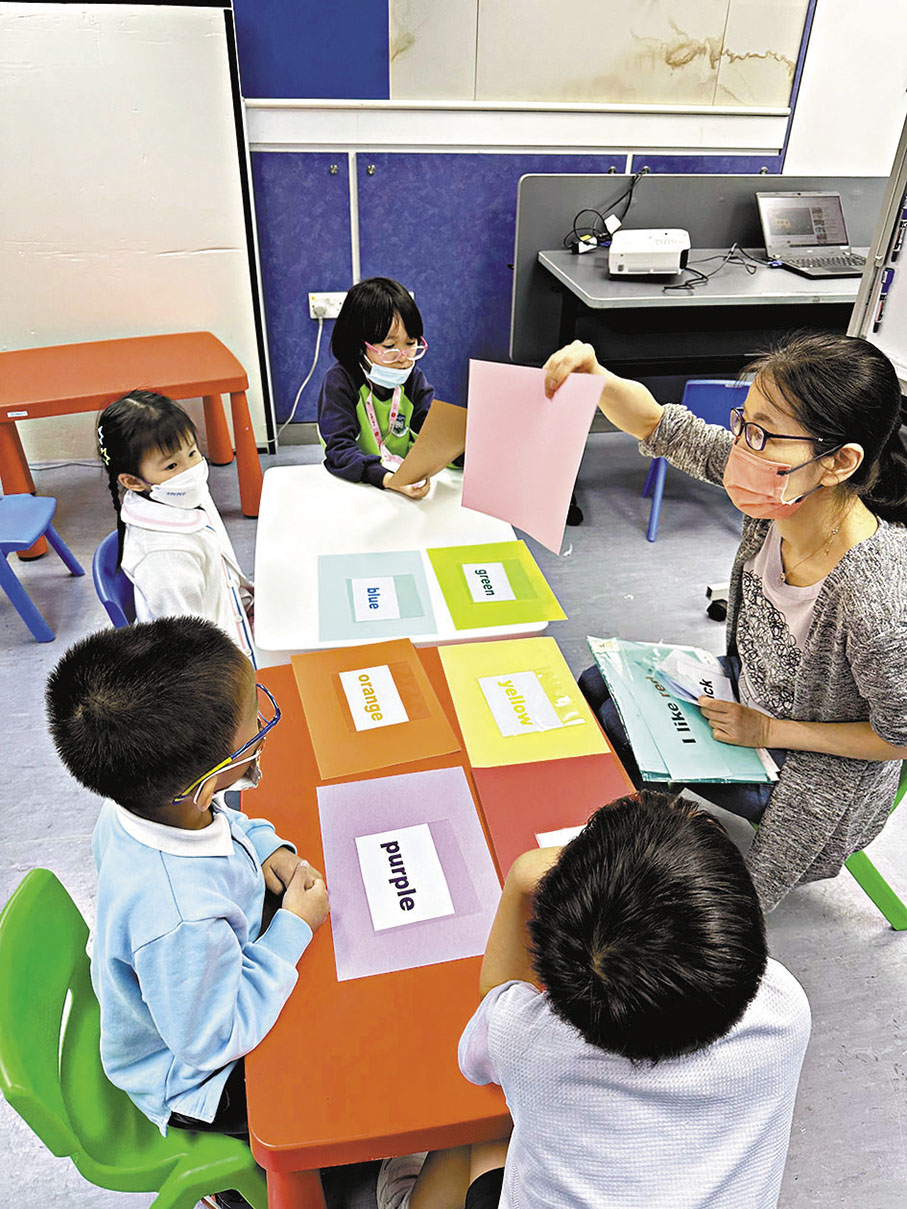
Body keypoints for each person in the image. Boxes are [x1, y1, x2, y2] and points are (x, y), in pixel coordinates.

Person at [544, 331, 907, 912]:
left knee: (626, 731)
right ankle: (602, 840)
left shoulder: (877, 602)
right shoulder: (781, 490)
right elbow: (657, 424)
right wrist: (596, 377)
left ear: (839, 462)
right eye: (744, 423)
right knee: (596, 686)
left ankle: (610, 888)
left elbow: (898, 737)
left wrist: (768, 732)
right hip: (749, 695)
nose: (741, 448)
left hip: (816, 771)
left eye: (763, 436)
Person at [378, 792, 810, 1209]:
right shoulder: (787, 1007)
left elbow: (495, 1003)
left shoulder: (526, 1040)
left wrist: (518, 882)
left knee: (488, 1124)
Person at [45, 616, 329, 1209]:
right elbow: (214, 1038)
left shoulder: (139, 807)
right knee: (338, 1068)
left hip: (190, 987)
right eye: (255, 728)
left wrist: (263, 845)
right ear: (203, 784)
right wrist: (293, 928)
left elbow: (221, 824)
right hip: (198, 1081)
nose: (262, 726)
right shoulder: (181, 917)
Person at [97, 390, 256, 661]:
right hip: (221, 672)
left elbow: (221, 566)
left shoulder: (184, 494)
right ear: (134, 482)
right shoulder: (162, 558)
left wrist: (250, 603)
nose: (191, 469)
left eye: (192, 452)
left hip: (236, 618)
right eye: (171, 465)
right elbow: (191, 652)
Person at [317, 276, 435, 499]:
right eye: (390, 346)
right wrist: (389, 479)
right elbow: (339, 450)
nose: (403, 358)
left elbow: (431, 435)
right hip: (358, 484)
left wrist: (461, 453)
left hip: (405, 483)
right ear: (359, 345)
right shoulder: (340, 382)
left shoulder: (414, 380)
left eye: (411, 344)